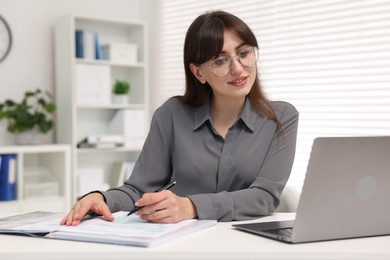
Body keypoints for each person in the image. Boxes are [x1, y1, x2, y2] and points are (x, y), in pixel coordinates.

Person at [61, 10, 299, 226]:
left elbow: (265, 197)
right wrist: (99, 197)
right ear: (198, 72)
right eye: (220, 60)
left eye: (243, 53)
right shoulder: (171, 115)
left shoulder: (281, 117)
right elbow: (138, 189)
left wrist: (190, 206)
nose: (238, 68)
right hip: (179, 242)